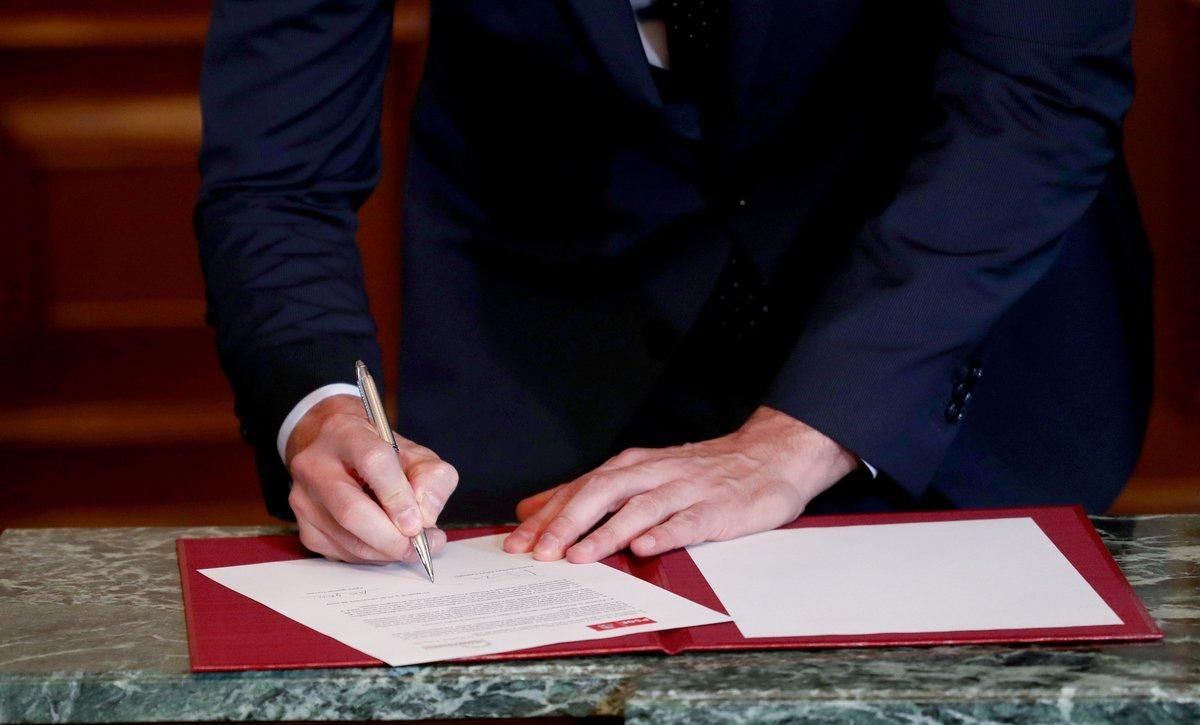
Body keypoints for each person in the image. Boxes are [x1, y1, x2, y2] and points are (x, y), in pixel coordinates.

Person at [195, 1, 1151, 566]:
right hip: (543, 342)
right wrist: (318, 411)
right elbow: (280, 171)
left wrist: (810, 432)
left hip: (943, 337)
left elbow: (1036, 99)